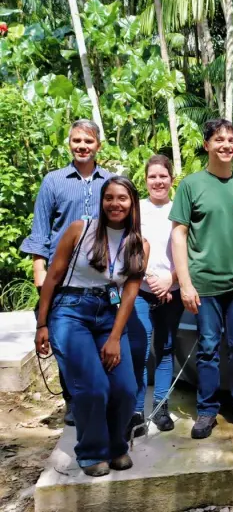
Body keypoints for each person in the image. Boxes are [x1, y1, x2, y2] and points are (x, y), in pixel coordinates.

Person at [34, 177, 149, 477]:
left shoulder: (139, 244)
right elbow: (52, 277)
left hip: (110, 315)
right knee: (94, 387)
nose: (115, 204)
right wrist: (42, 323)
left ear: (132, 203)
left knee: (125, 388)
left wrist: (115, 338)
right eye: (109, 197)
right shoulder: (80, 229)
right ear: (102, 201)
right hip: (70, 312)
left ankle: (116, 446)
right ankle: (92, 452)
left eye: (122, 198)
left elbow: (129, 294)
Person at [170, 119, 233, 439]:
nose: (226, 145)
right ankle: (207, 410)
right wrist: (185, 283)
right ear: (207, 145)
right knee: (207, 348)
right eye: (219, 139)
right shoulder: (191, 185)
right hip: (204, 285)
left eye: (231, 140)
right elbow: (179, 235)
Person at [22, 119, 114, 426]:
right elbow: (40, 230)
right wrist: (39, 270)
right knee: (64, 342)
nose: (82, 146)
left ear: (98, 145)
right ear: (69, 143)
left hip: (101, 276)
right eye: (77, 141)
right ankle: (73, 400)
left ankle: (100, 396)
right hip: (60, 278)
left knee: (99, 339)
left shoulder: (110, 181)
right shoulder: (54, 181)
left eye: (88, 141)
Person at [126, 155, 185, 436]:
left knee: (165, 349)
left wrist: (170, 280)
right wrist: (149, 277)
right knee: (139, 349)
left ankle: (161, 407)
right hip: (141, 289)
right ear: (145, 180)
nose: (158, 181)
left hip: (171, 291)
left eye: (163, 176)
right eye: (153, 176)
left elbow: (188, 252)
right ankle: (136, 411)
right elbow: (129, 248)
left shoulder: (179, 210)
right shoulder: (136, 210)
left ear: (171, 179)